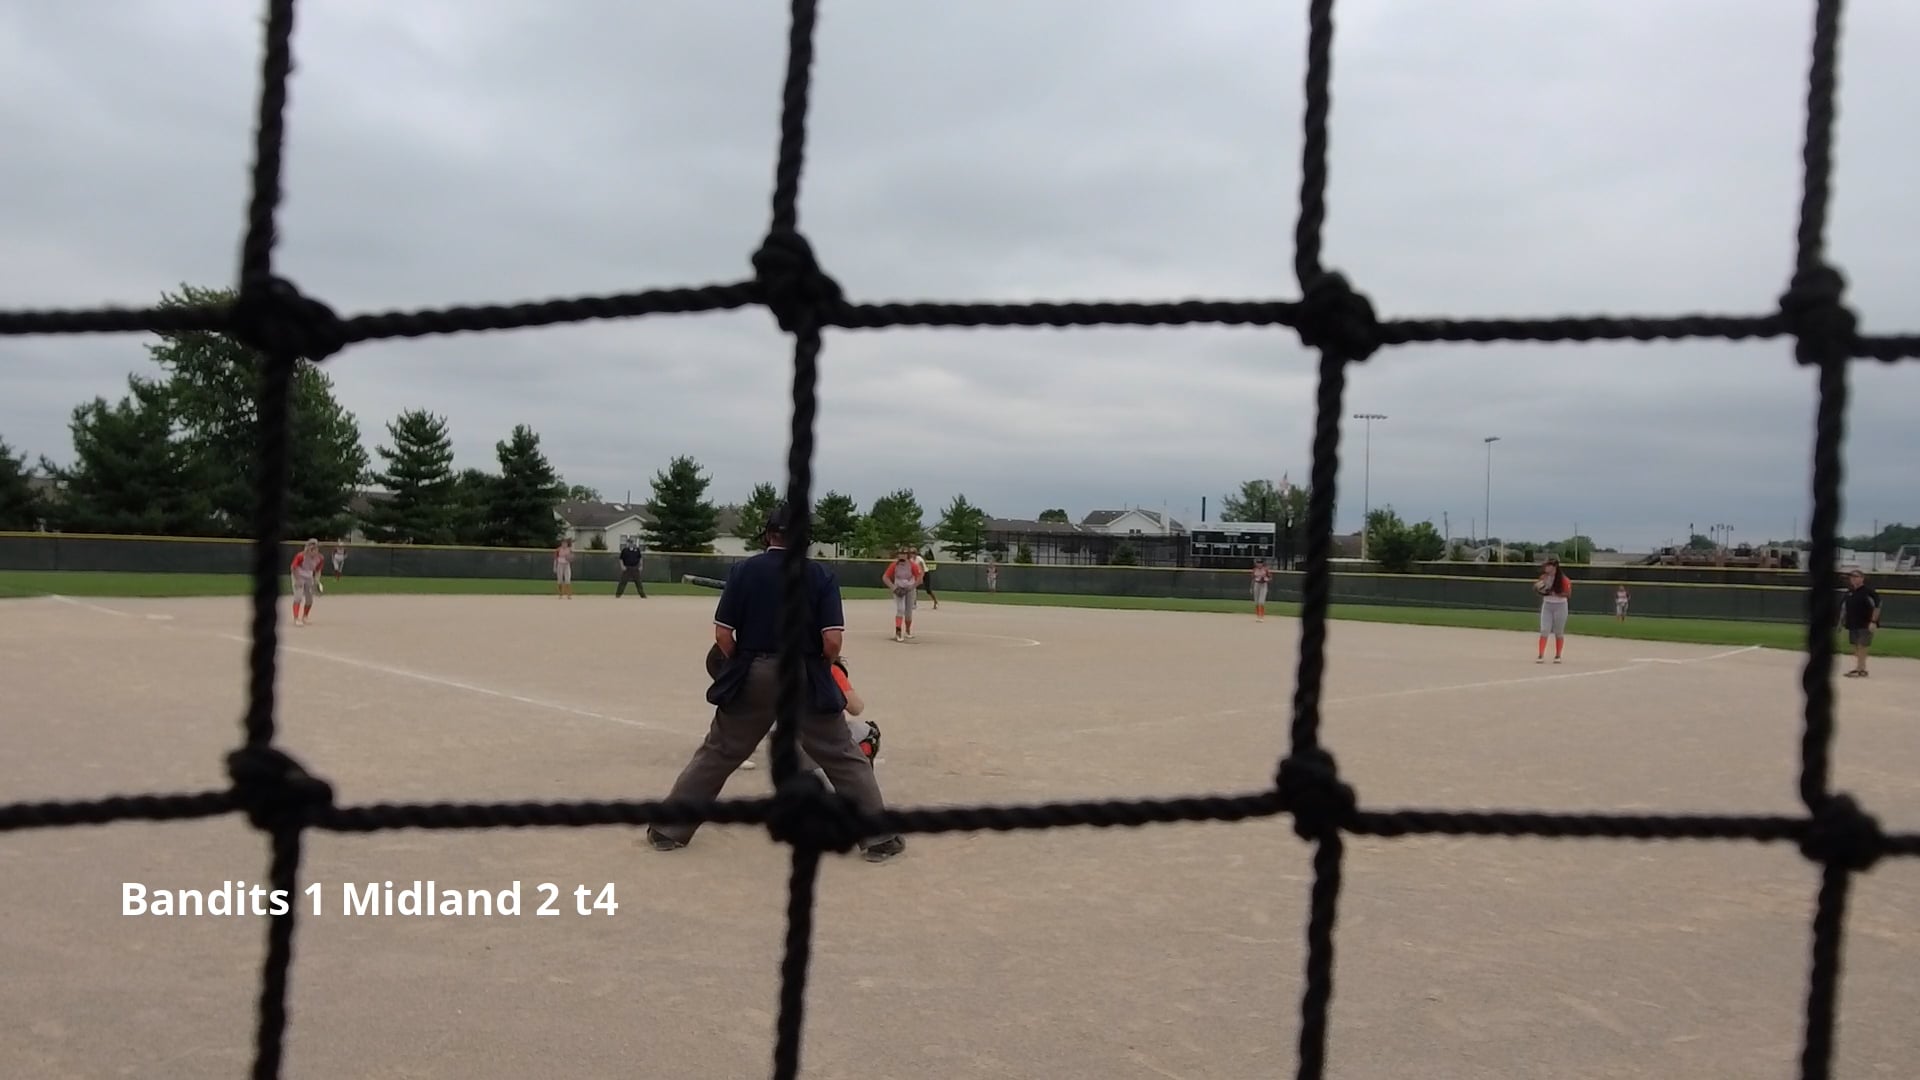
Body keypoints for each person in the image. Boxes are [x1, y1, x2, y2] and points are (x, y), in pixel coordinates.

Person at [646, 503, 904, 863]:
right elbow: (832, 641)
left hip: (754, 669)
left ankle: (668, 829)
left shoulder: (743, 571)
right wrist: (820, 667)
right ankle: (878, 839)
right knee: (842, 755)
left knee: (719, 752)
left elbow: (723, 635)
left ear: (769, 534)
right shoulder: (820, 575)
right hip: (804, 672)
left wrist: (742, 662)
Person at [1839, 568, 1883, 678]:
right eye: (1851, 577)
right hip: (1852, 623)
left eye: (1856, 576)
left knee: (1862, 645)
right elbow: (1844, 609)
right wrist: (1841, 622)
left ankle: (1859, 669)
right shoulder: (1849, 592)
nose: (1853, 579)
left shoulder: (1868, 592)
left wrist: (1873, 621)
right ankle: (1861, 669)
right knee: (1855, 647)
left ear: (1862, 578)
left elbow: (1877, 607)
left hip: (1865, 623)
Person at [1534, 556, 1572, 663]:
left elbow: (1568, 594)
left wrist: (1555, 593)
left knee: (1558, 631)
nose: (1545, 567)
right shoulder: (1544, 577)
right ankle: (1540, 655)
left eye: (1548, 565)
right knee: (1544, 630)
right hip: (1547, 605)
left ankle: (1558, 655)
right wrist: (1538, 589)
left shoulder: (1563, 579)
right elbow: (1537, 589)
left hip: (1560, 606)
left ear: (1554, 567)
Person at [882, 548, 922, 641]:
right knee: (900, 609)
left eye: (904, 554)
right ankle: (898, 632)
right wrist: (893, 588)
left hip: (910, 590)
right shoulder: (894, 565)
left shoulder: (912, 565)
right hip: (898, 589)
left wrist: (911, 587)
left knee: (908, 612)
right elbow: (885, 577)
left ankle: (907, 631)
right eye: (900, 553)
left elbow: (919, 579)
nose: (902, 555)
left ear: (907, 555)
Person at [289, 538, 324, 627]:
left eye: (316, 548)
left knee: (309, 599)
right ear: (308, 548)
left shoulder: (320, 558)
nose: (314, 550)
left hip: (309, 577)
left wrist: (316, 580)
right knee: (298, 597)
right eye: (312, 548)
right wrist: (297, 580)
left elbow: (318, 570)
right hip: (298, 575)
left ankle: (305, 617)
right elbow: (293, 567)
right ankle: (296, 619)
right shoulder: (301, 556)